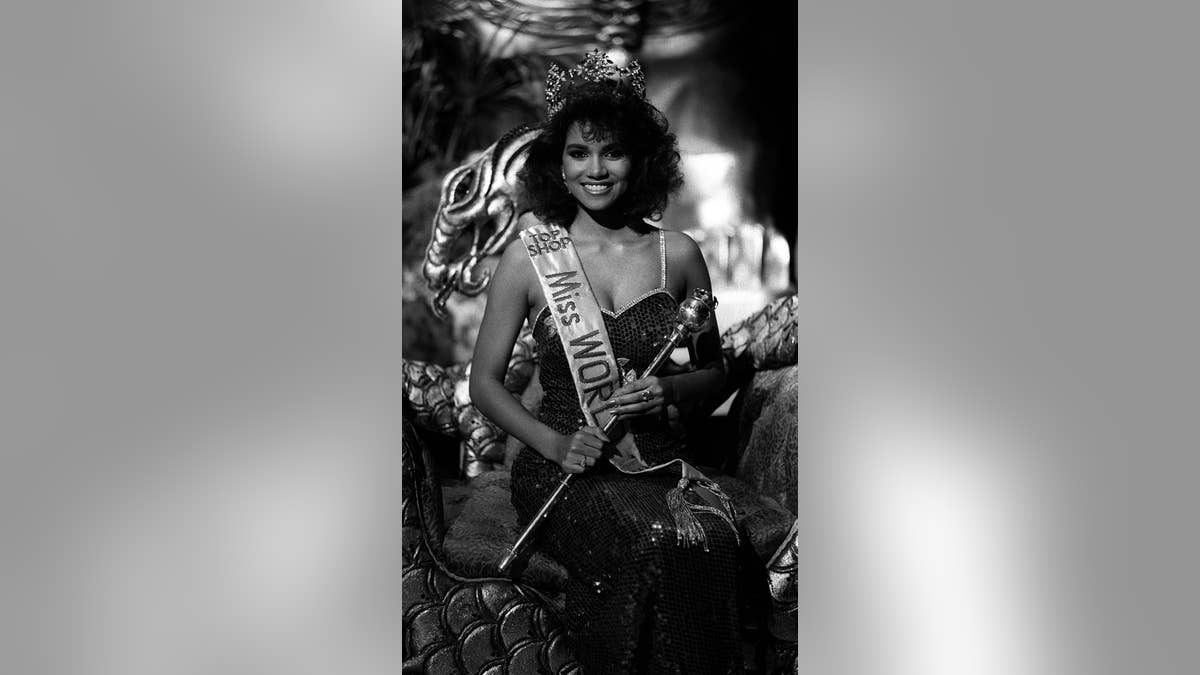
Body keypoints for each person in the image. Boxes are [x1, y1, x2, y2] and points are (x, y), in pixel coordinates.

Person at [469, 50, 741, 673]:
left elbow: (715, 371)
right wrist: (555, 443)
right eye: (578, 152)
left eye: (612, 151)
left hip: (656, 458)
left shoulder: (679, 254)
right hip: (565, 462)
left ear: (639, 161)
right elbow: (483, 384)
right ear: (556, 164)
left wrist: (668, 394)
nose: (596, 169)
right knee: (655, 543)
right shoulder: (530, 259)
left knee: (714, 540)